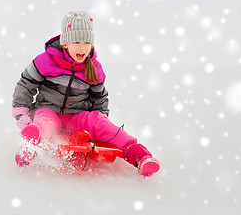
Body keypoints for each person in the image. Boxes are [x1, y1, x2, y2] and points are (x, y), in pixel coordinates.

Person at [12, 11, 160, 176]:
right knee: (45, 123)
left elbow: (99, 98)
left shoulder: (94, 68)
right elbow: (25, 85)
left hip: (77, 116)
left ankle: (140, 156)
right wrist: (22, 114)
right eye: (76, 41)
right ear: (66, 43)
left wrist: (100, 124)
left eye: (86, 42)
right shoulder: (45, 61)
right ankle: (29, 145)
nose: (82, 47)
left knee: (100, 123)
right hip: (49, 110)